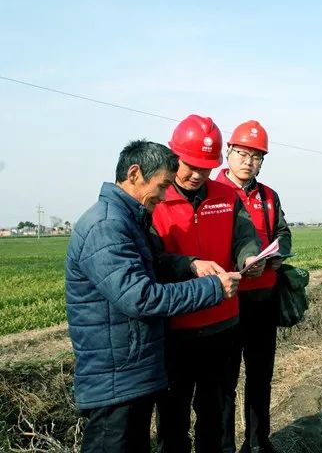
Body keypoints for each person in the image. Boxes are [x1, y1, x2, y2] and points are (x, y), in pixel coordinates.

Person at [65, 140, 241, 453]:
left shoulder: (127, 219)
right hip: (115, 377)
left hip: (131, 371)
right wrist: (213, 289)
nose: (163, 196)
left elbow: (152, 263)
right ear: (134, 174)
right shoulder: (106, 226)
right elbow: (140, 297)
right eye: (161, 187)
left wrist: (189, 264)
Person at [152, 114, 266, 453]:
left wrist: (249, 257)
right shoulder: (155, 200)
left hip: (223, 325)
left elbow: (245, 236)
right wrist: (188, 264)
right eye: (190, 166)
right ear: (173, 156)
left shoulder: (227, 196)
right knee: (173, 417)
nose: (197, 175)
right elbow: (150, 258)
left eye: (206, 168)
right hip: (175, 328)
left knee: (215, 414)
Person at [216, 120, 292, 453]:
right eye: (242, 154)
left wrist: (279, 254)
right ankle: (224, 446)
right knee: (224, 382)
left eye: (256, 157)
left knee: (260, 375)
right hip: (226, 303)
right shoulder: (213, 192)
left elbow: (283, 233)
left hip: (263, 298)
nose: (248, 162)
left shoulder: (269, 197)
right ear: (228, 153)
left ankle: (258, 442)